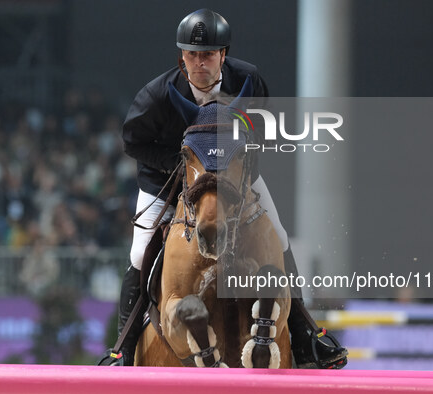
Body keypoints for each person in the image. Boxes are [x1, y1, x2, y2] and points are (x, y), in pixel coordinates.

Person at [116, 8, 347, 368]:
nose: (199, 62)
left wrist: (240, 166)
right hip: (169, 180)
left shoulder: (248, 81)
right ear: (182, 56)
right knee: (138, 251)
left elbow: (264, 131)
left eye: (207, 54)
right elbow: (133, 142)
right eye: (191, 55)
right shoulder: (159, 94)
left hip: (233, 177)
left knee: (281, 238)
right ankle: (123, 349)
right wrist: (182, 166)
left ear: (223, 54)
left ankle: (305, 339)